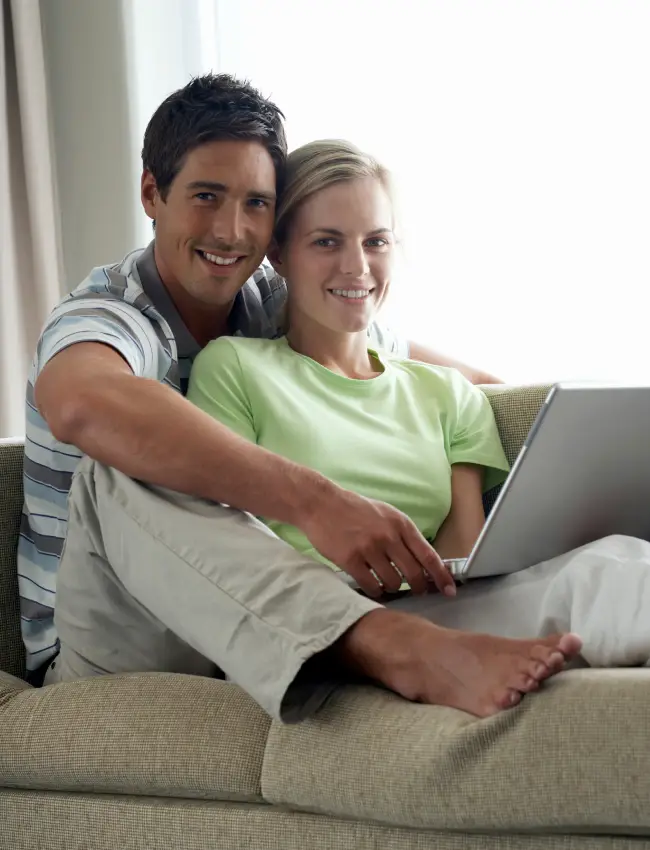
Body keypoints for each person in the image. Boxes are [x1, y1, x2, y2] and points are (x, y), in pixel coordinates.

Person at [21, 72, 553, 722]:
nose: (232, 230)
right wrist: (316, 502)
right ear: (152, 194)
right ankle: (389, 645)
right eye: (207, 197)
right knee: (118, 470)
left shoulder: (268, 300)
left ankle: (385, 631)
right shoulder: (112, 312)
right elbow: (80, 403)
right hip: (115, 632)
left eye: (256, 203)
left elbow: (453, 379)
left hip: (244, 620)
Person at [185, 138, 650, 712]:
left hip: (439, 609)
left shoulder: (446, 393)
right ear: (279, 253)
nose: (357, 267)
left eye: (375, 242)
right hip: (319, 627)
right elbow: (219, 543)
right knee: (603, 575)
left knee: (615, 557)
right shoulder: (235, 369)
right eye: (327, 242)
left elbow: (464, 557)